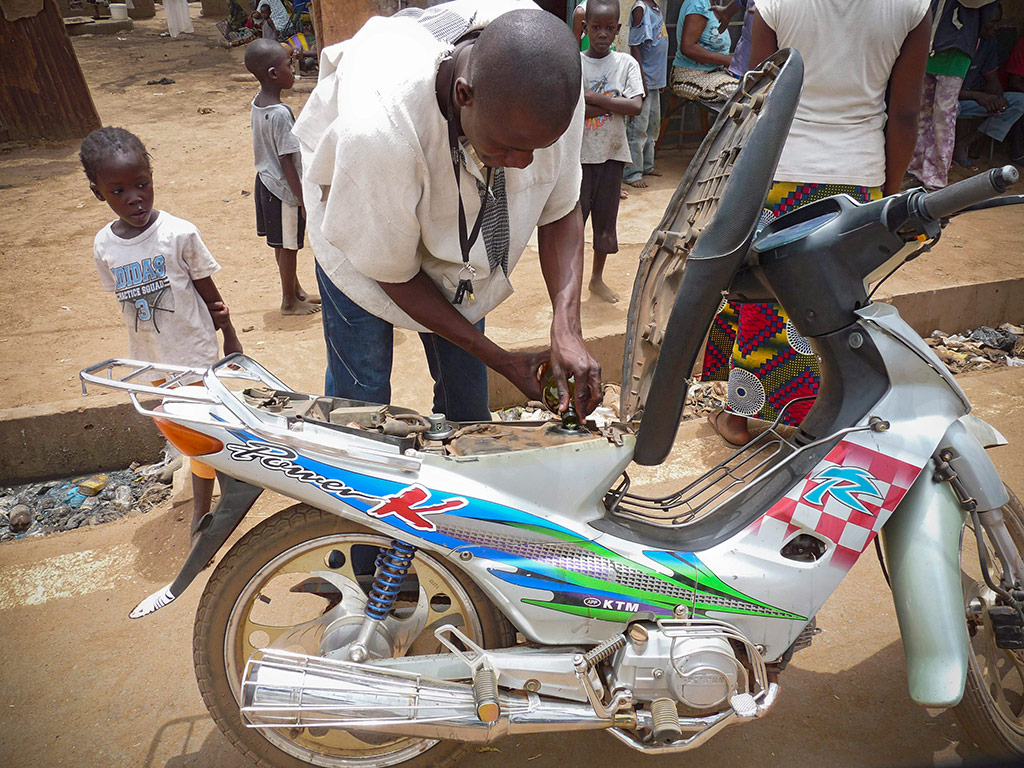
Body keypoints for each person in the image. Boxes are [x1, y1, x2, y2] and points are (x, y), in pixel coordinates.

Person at [292, 0, 602, 422]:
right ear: (463, 95)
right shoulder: (380, 131)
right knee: (360, 402)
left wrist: (567, 326)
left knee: (468, 408)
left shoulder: (551, 84)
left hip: (453, 250)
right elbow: (391, 274)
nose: (525, 164)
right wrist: (503, 361)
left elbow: (562, 208)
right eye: (508, 148)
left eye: (537, 149)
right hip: (364, 234)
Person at [703, 0, 930, 447]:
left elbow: (759, 104)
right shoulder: (914, 6)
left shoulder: (773, 3)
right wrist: (887, 192)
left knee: (765, 300)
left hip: (781, 170)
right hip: (859, 174)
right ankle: (835, 413)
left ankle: (738, 416)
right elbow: (905, 113)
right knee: (837, 307)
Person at [79, 126, 242, 541]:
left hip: (195, 356)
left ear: (152, 179)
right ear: (98, 192)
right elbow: (124, 299)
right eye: (117, 191)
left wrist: (232, 337)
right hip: (151, 360)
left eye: (142, 184)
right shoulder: (104, 246)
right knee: (191, 434)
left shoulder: (178, 234)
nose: (134, 197)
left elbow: (212, 297)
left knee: (204, 431)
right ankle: (228, 495)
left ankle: (206, 513)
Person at [244, 39, 320, 315]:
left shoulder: (258, 103)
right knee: (289, 246)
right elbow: (287, 161)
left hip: (265, 182)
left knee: (281, 243)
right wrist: (302, 200)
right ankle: (289, 301)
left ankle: (296, 290)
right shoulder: (280, 114)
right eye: (289, 65)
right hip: (284, 191)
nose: (293, 69)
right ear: (274, 74)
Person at [580, 0, 644, 302]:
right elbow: (573, 109)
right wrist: (610, 102)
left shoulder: (626, 64)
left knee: (605, 225)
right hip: (579, 160)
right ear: (585, 28)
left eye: (609, 28)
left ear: (618, 29)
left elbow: (634, 106)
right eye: (596, 28)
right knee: (572, 225)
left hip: (612, 156)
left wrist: (593, 98)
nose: (602, 34)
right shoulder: (576, 63)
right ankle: (569, 286)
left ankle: (596, 279)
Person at [907, 0, 1000, 190]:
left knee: (943, 117)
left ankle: (936, 179)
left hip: (956, 49)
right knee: (922, 115)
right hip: (929, 45)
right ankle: (916, 172)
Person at [955, 4, 1024, 168]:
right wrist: (977, 96)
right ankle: (940, 156)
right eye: (991, 22)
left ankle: (963, 144)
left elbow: (992, 78)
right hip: (950, 101)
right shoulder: (957, 40)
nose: (996, 28)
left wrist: (997, 99)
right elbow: (942, 92)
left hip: (974, 100)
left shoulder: (988, 42)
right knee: (951, 107)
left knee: (1018, 101)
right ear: (976, 20)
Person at [622, 0, 669, 189]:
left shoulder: (656, 7)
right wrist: (640, 81)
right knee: (637, 129)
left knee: (652, 126)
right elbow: (635, 47)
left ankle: (647, 165)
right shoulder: (640, 9)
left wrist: (661, 80)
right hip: (644, 81)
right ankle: (632, 173)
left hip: (654, 82)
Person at [670, 0, 737, 104]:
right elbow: (688, 47)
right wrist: (729, 61)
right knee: (742, 93)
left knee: (755, 87)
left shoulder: (712, 4)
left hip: (716, 73)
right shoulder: (698, 3)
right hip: (690, 75)